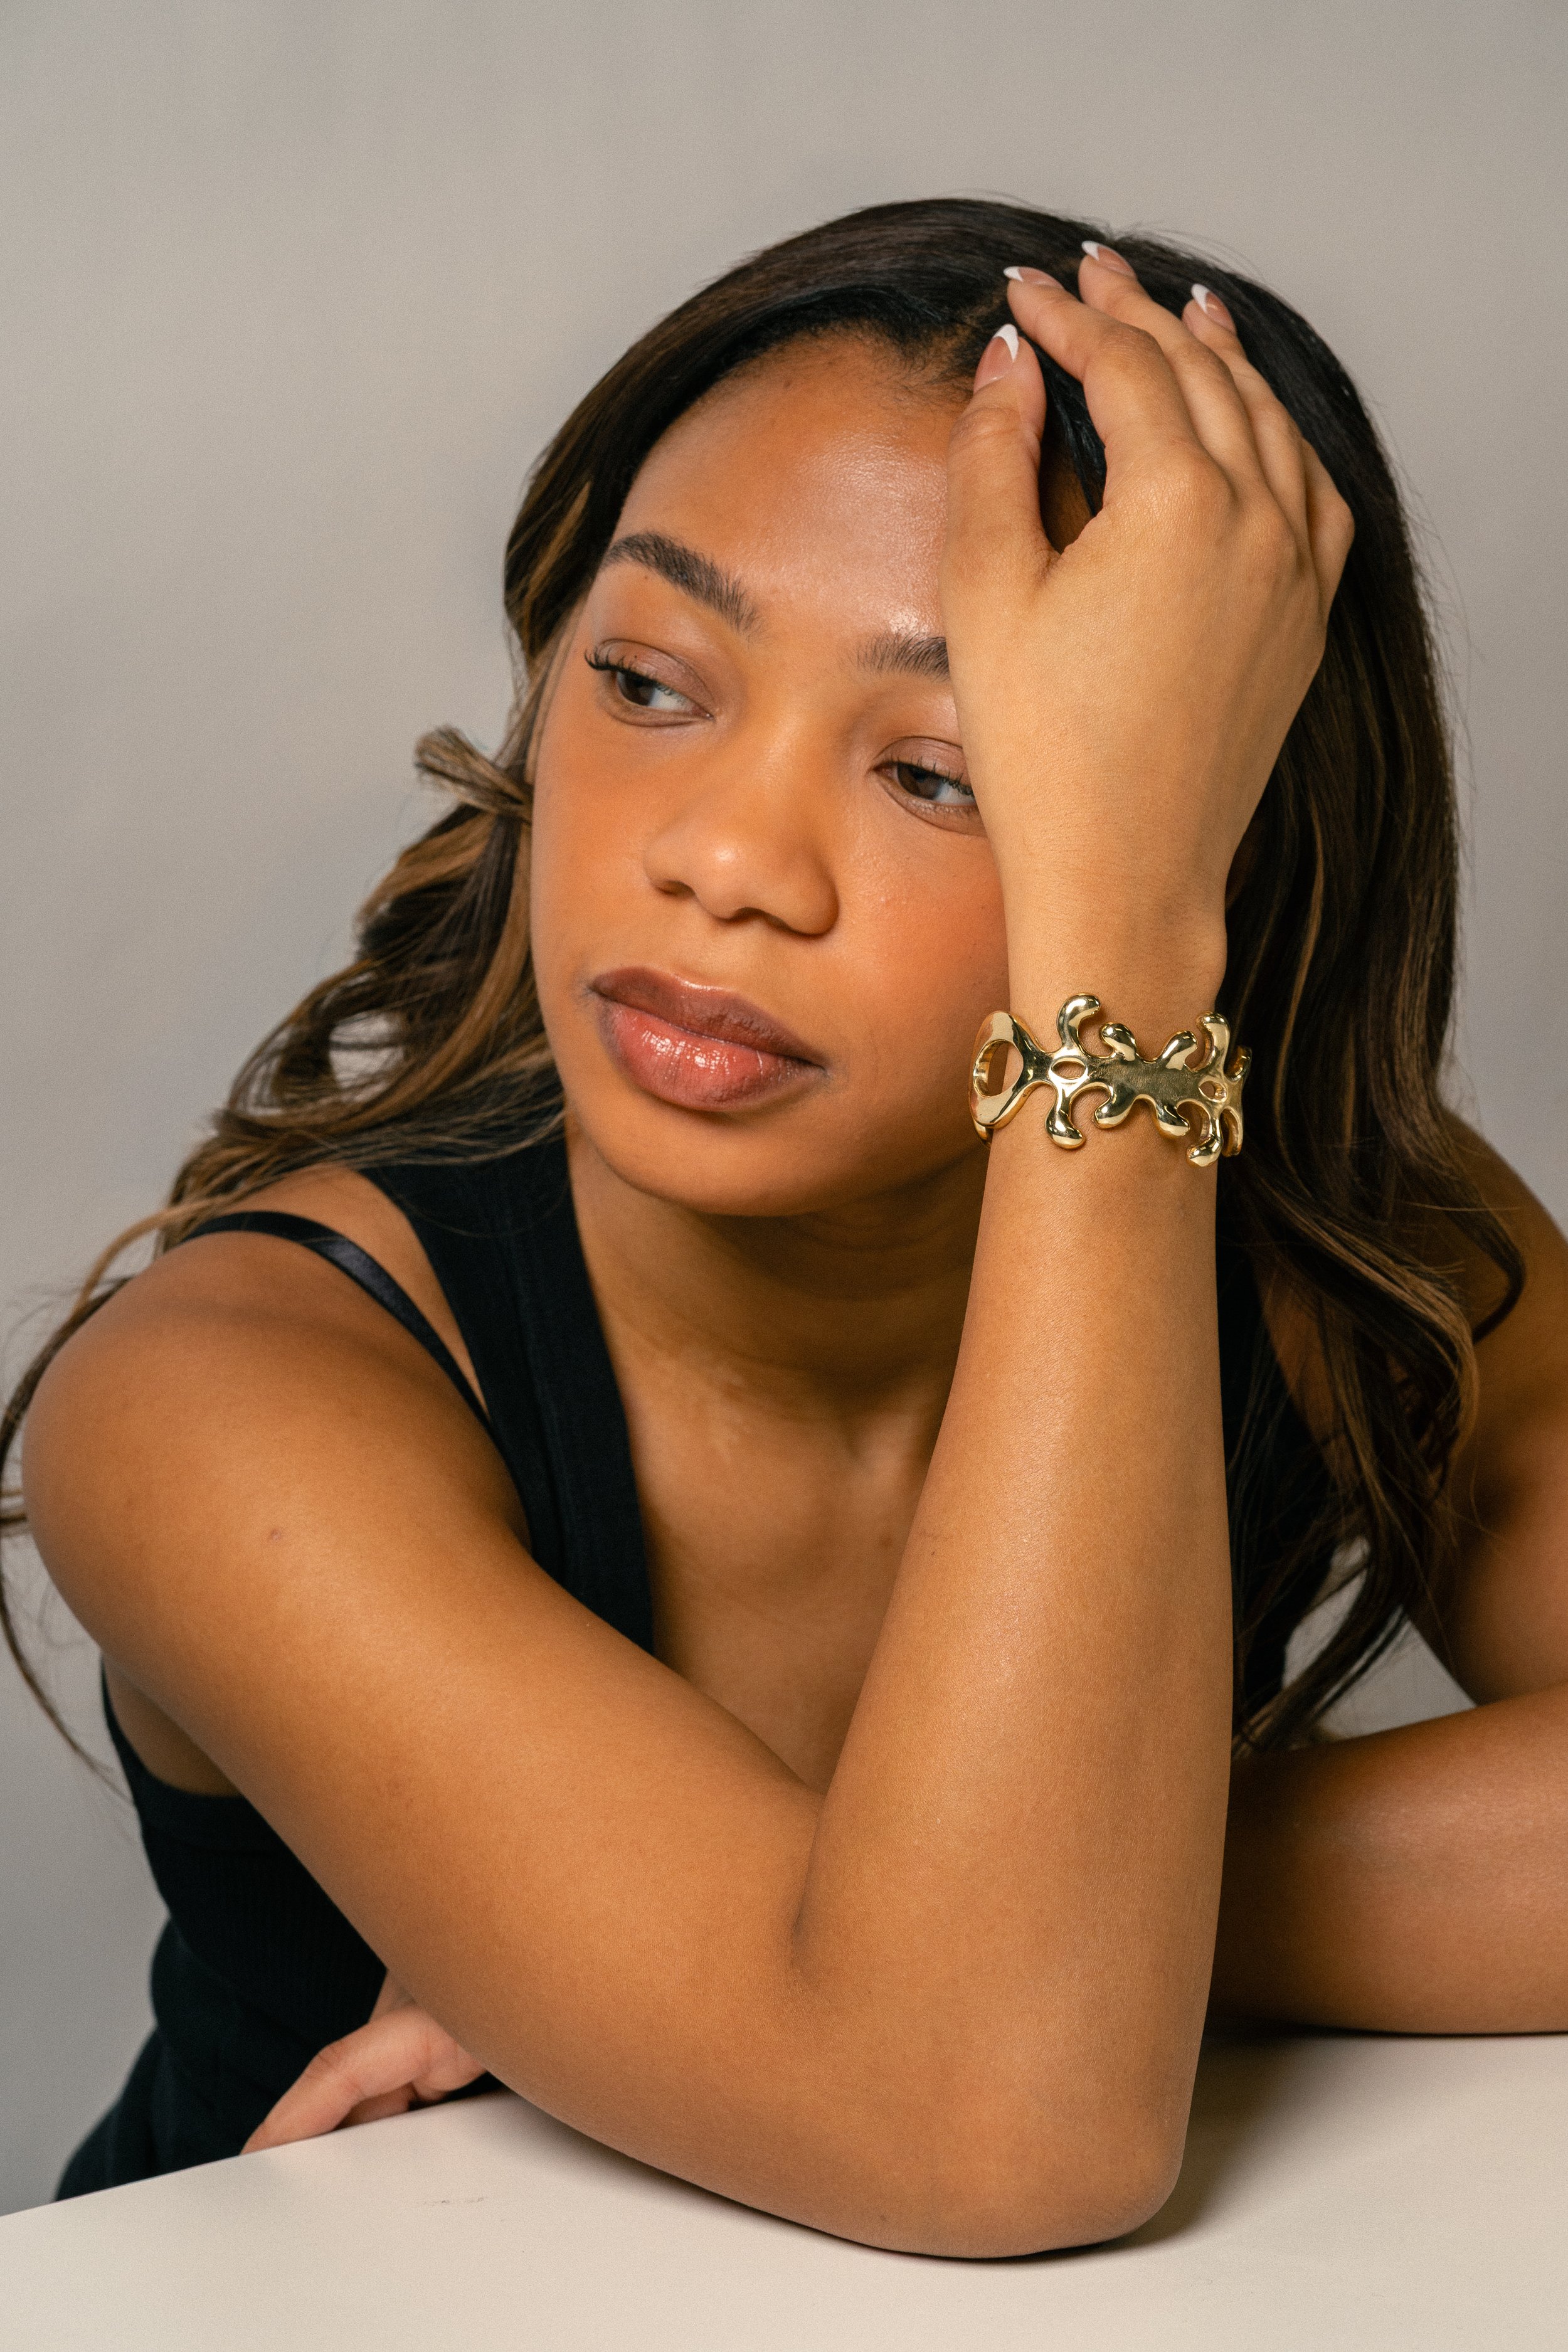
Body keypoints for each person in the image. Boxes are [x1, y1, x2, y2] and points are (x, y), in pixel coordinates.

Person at [6, 196, 1566, 2259]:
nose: (726, 861)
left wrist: (939, 1927)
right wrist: (936, 1971)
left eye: (944, 774)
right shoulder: (220, 1400)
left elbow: (964, 2040)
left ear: (1198, 842)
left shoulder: (1336, 1227)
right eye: (649, 681)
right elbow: (990, 2119)